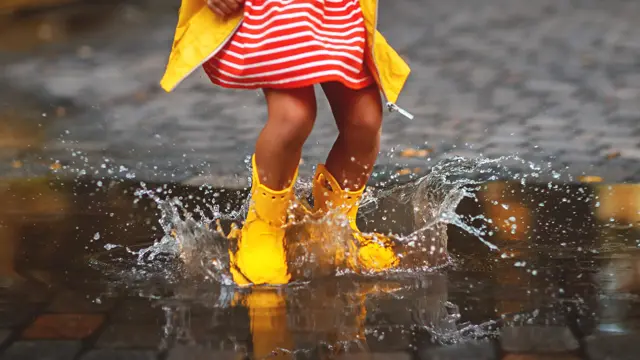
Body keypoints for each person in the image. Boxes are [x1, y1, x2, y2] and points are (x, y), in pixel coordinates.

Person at [160, 0, 412, 286]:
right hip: (277, 11)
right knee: (293, 116)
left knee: (364, 119)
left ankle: (334, 229)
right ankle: (264, 228)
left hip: (338, 10)